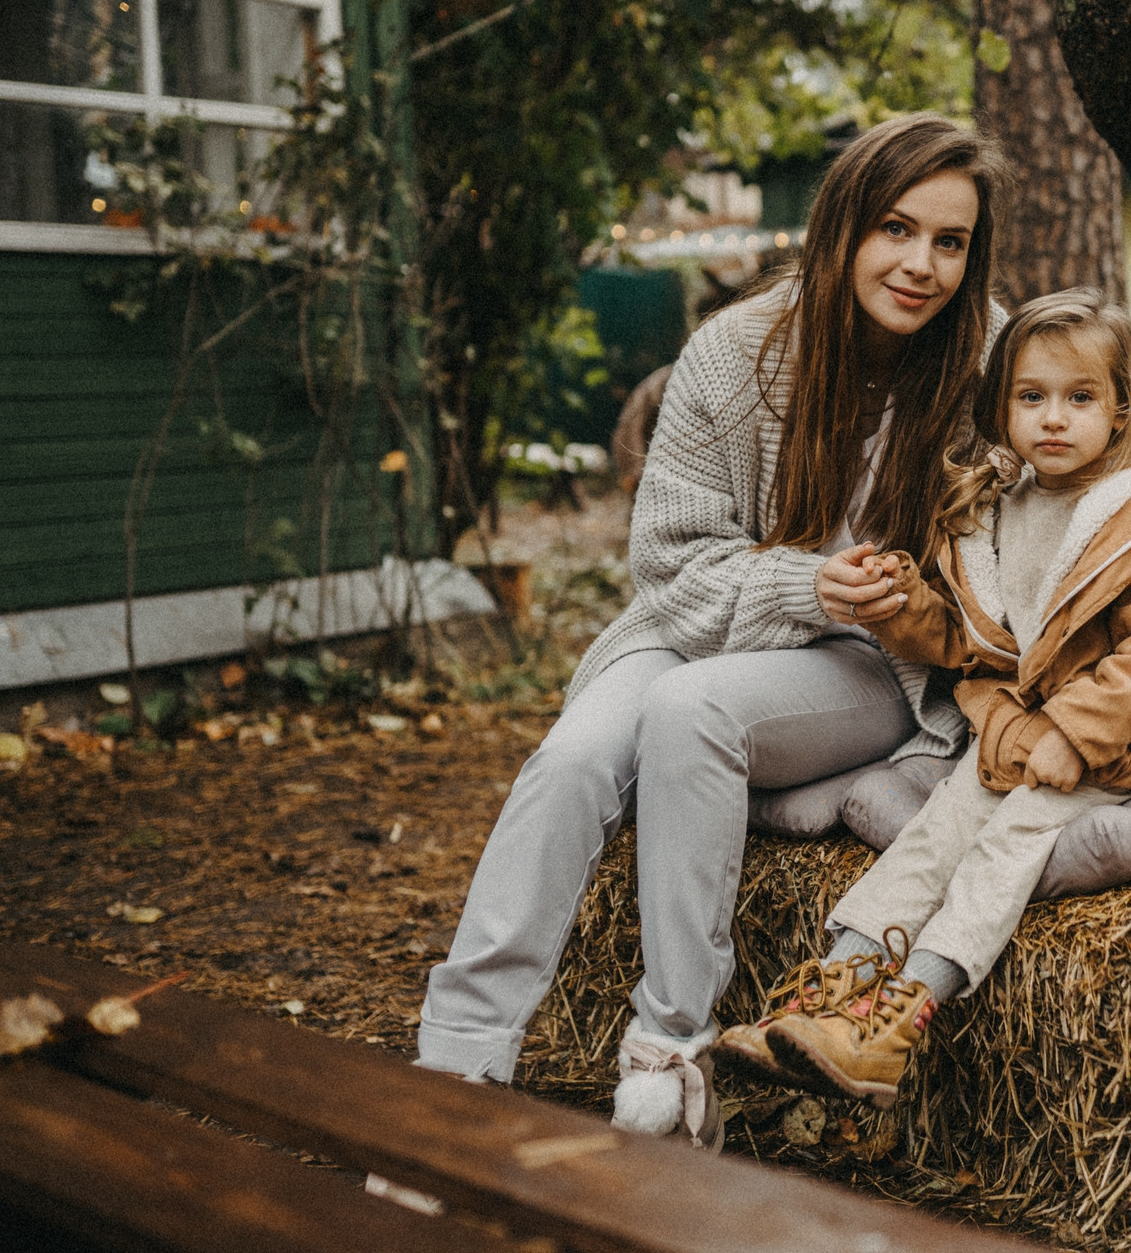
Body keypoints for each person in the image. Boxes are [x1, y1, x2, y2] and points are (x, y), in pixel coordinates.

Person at [415, 115, 1012, 1149]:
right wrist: (807, 583)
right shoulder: (741, 351)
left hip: (874, 663)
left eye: (950, 241)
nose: (920, 264)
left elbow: (1016, 570)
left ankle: (669, 1058)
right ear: (841, 228)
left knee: (694, 711)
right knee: (569, 762)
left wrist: (908, 603)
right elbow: (670, 562)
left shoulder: (989, 362)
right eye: (895, 229)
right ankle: (454, 1071)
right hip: (703, 624)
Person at [713, 288, 1131, 1108]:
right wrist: (904, 607)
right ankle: (833, 992)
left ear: (1122, 407)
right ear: (1002, 408)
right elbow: (974, 645)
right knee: (932, 837)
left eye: (1080, 398)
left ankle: (899, 1021)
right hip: (1018, 736)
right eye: (1032, 398)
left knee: (1005, 849)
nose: (1054, 419)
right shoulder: (995, 511)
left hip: (1124, 743)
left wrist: (1074, 731)